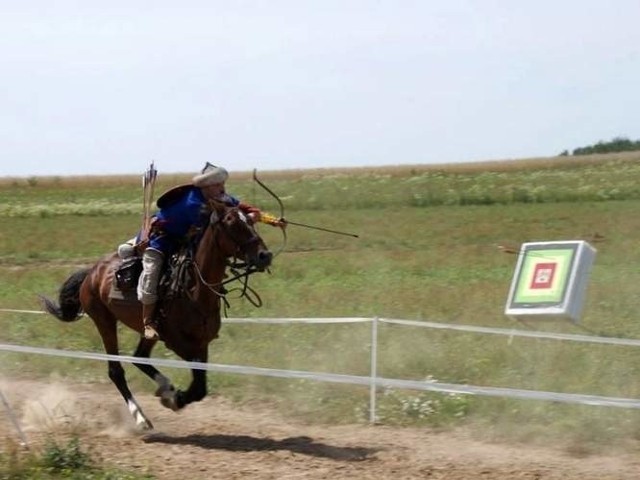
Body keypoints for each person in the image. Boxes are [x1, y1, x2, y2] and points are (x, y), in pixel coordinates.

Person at [120, 163, 285, 340]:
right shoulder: (193, 203)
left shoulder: (219, 197)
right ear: (205, 187)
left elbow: (243, 209)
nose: (222, 188)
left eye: (222, 183)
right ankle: (148, 322)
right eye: (217, 184)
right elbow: (214, 225)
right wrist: (251, 219)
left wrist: (273, 220)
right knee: (151, 275)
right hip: (162, 240)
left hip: (188, 239)